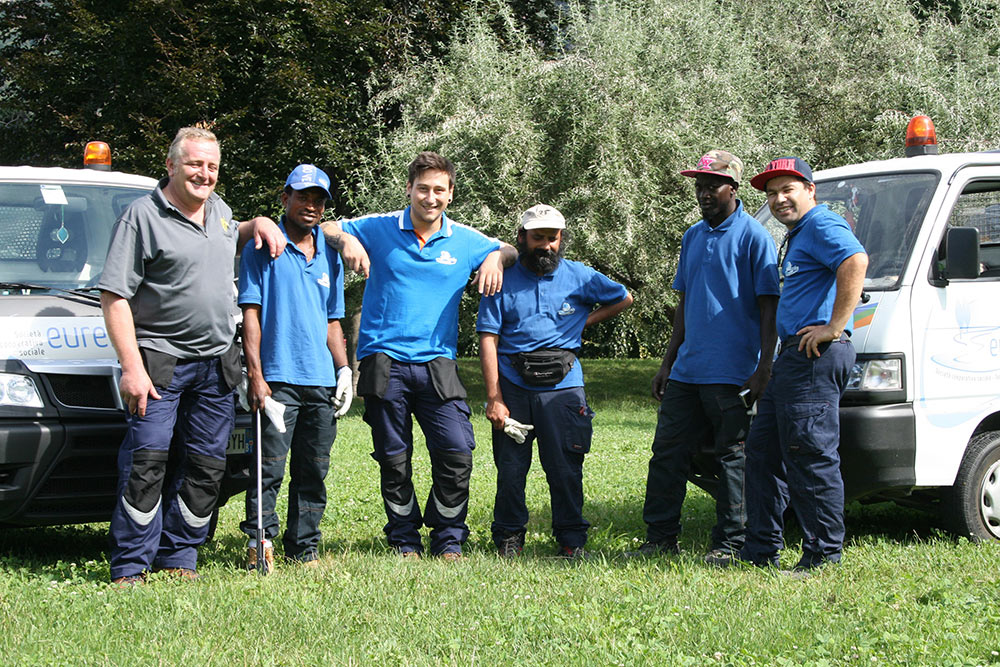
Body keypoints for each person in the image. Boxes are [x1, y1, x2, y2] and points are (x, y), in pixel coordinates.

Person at [99, 127, 286, 585]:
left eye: (212, 167)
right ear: (170, 166)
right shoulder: (141, 217)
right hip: (159, 362)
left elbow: (228, 238)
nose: (204, 174)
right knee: (146, 463)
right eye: (195, 164)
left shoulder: (220, 213)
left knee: (206, 466)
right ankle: (130, 564)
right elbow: (114, 296)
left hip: (217, 365)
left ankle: (180, 556)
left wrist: (256, 223)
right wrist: (132, 367)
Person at [338, 151, 516, 560]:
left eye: (439, 189)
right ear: (409, 189)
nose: (430, 197)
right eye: (423, 189)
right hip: (384, 361)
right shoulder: (380, 227)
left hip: (438, 363)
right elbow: (330, 227)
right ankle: (404, 538)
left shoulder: (466, 240)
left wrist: (493, 257)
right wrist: (347, 238)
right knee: (393, 457)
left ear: (451, 194)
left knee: (456, 451)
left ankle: (449, 537)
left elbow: (508, 248)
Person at [634, 150, 779, 565]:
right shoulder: (693, 236)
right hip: (688, 370)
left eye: (711, 185)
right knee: (667, 454)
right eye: (698, 186)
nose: (703, 193)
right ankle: (660, 536)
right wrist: (667, 362)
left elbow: (769, 306)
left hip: (731, 371)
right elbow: (685, 303)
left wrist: (763, 365)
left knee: (732, 457)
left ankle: (730, 542)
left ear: (732, 187)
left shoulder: (755, 237)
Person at [477, 204, 632, 559]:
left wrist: (580, 324)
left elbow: (624, 297)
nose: (545, 245)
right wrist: (494, 397)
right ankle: (509, 538)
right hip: (513, 386)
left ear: (561, 240)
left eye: (552, 238)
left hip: (564, 388)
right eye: (537, 237)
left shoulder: (580, 276)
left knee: (565, 469)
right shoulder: (501, 277)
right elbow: (488, 337)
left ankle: (571, 539)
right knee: (511, 471)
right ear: (522, 238)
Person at [741, 156, 867, 573]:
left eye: (787, 190)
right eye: (772, 193)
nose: (779, 199)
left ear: (810, 190)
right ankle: (760, 550)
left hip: (816, 355)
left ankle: (823, 554)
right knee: (763, 451)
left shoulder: (822, 224)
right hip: (792, 358)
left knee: (809, 453)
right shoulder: (798, 235)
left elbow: (855, 261)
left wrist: (834, 326)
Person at [237, 164, 351, 572]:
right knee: (267, 469)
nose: (311, 205)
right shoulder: (263, 247)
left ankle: (304, 549)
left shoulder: (329, 254)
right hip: (278, 380)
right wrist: (256, 378)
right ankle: (258, 544)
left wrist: (344, 370)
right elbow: (251, 313)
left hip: (320, 380)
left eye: (318, 200)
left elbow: (331, 320)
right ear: (285, 197)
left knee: (313, 470)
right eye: (303, 196)